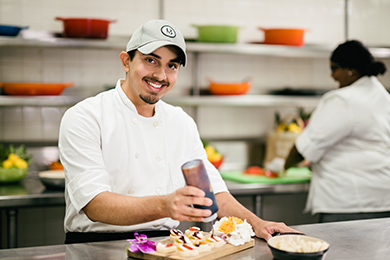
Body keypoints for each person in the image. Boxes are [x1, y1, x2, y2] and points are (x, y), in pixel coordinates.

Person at [59, 19, 296, 244]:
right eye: (151, 60)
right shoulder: (86, 116)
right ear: (126, 61)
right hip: (94, 247)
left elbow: (212, 191)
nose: (161, 76)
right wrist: (164, 206)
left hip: (164, 245)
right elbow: (94, 204)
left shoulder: (180, 121)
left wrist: (257, 223)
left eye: (171, 65)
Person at [284, 39, 390, 223]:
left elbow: (303, 149)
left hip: (349, 204)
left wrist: (283, 167)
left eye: (334, 68)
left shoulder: (343, 100)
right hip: (383, 200)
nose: (332, 76)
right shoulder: (383, 96)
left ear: (351, 70)